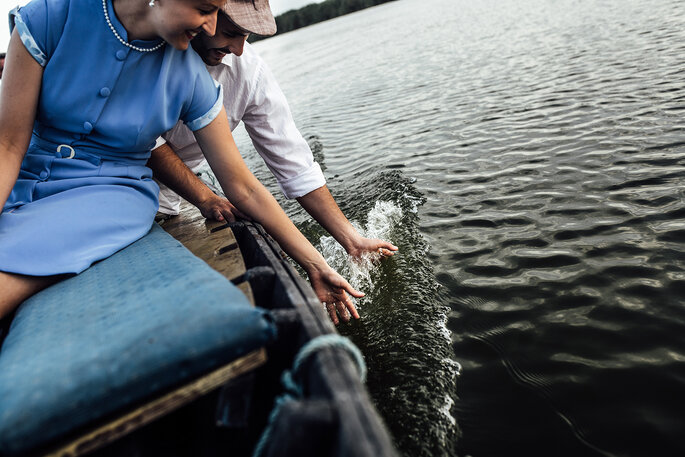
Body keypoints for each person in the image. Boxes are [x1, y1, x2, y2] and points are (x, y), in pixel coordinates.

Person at [0, 0, 362, 325]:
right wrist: (205, 197)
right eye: (207, 12)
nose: (212, 28)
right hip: (27, 174)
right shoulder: (49, 17)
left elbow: (253, 183)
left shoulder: (197, 74)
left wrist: (321, 259)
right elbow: (8, 145)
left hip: (115, 195)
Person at [150, 11, 398, 261]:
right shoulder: (150, 54)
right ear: (205, 13)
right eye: (230, 34)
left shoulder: (249, 71)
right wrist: (204, 197)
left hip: (166, 206)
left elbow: (293, 163)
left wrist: (352, 240)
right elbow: (145, 142)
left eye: (245, 36)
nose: (238, 49)